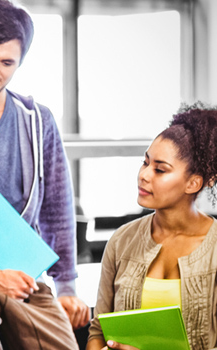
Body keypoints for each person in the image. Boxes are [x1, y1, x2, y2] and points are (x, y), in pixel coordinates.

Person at [0, 0, 90, 349]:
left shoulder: (36, 120)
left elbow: (57, 208)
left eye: (6, 62)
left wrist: (67, 286)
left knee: (63, 341)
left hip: (20, 268)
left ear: (20, 61)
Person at [86, 102, 217, 350]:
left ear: (193, 183)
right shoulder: (122, 240)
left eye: (160, 169)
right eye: (145, 163)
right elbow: (98, 330)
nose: (144, 175)